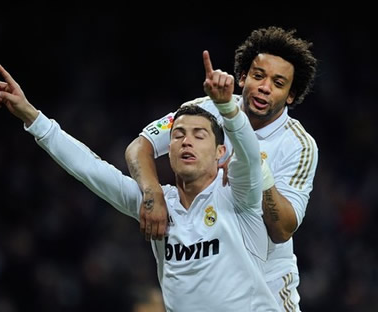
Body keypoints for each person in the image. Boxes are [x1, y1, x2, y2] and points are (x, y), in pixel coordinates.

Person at [0, 51, 280, 311]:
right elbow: (91, 169)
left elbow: (250, 155)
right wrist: (31, 116)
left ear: (220, 152)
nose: (185, 142)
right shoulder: (158, 205)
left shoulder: (238, 194)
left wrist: (228, 107)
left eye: (198, 135)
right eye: (178, 135)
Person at [125, 26, 318, 311]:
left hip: (268, 287)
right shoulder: (205, 109)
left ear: (291, 95)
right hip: (212, 276)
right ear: (242, 77)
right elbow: (139, 148)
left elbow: (283, 229)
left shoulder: (299, 145)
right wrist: (153, 192)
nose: (265, 87)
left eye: (278, 83)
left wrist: (256, 170)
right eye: (258, 76)